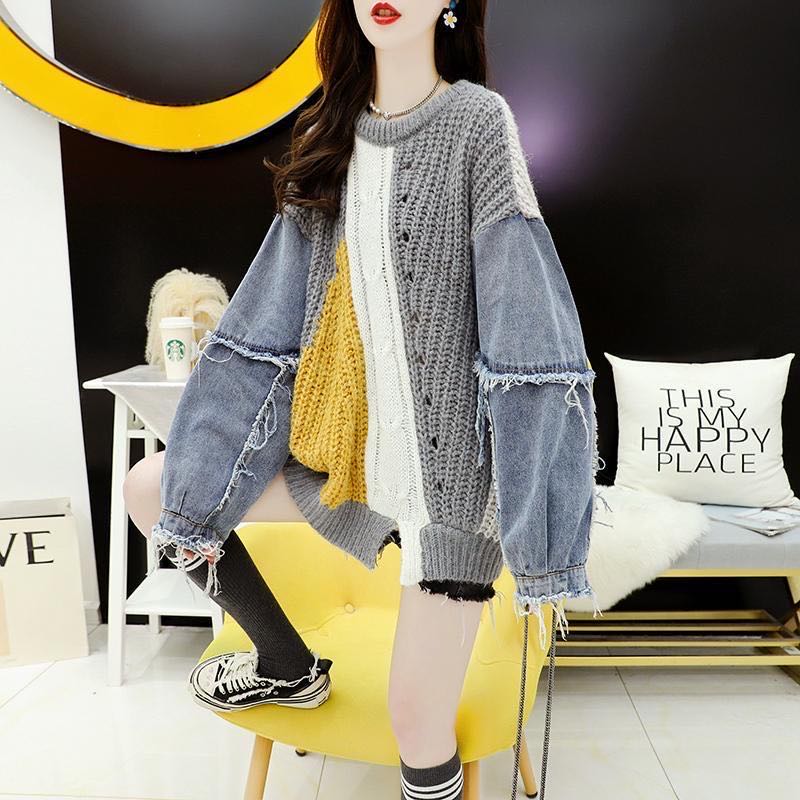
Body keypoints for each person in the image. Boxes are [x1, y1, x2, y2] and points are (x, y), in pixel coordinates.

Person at [123, 1, 607, 798]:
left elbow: (527, 320)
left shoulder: (477, 124)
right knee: (153, 490)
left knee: (415, 719)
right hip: (351, 471)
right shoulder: (329, 137)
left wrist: (539, 518)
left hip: (452, 495)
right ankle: (287, 663)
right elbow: (266, 324)